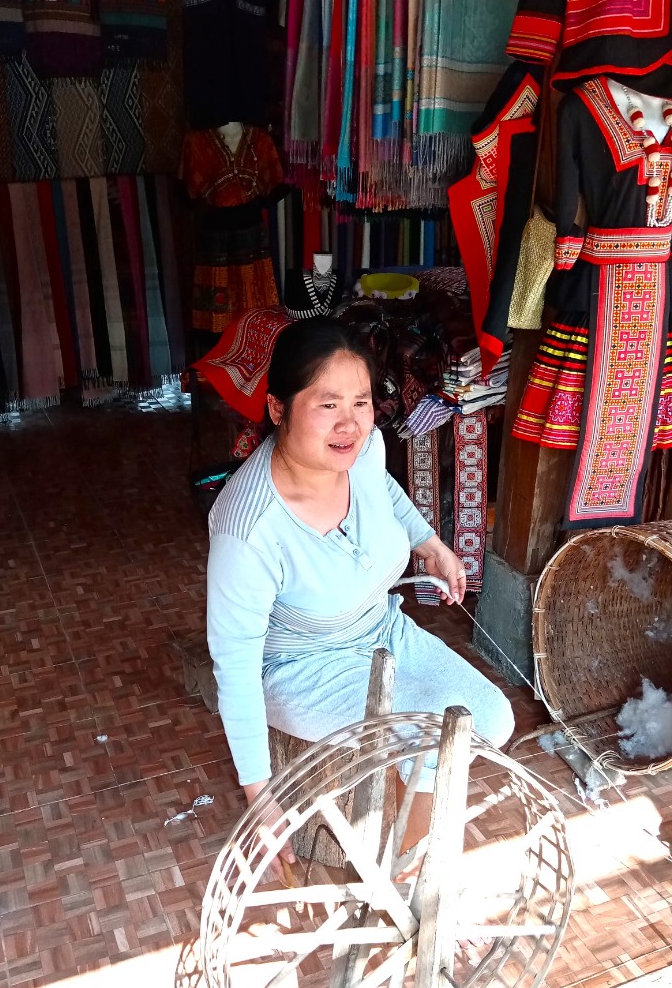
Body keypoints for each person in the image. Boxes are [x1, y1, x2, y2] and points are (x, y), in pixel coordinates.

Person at [206, 319, 515, 866]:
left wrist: (429, 543)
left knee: (490, 718)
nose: (349, 423)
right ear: (277, 408)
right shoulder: (249, 528)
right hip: (301, 666)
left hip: (382, 629)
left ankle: (410, 851)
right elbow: (235, 664)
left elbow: (383, 489)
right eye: (327, 405)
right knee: (433, 740)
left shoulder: (363, 450)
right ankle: (411, 877)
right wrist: (260, 794)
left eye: (361, 402)